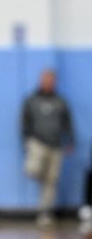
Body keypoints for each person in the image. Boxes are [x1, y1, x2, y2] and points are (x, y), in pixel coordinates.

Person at [21, 68, 75, 227]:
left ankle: (45, 213)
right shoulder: (31, 100)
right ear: (41, 81)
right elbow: (24, 121)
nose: (48, 83)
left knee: (51, 181)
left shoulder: (60, 101)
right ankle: (38, 173)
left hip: (56, 144)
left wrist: (70, 140)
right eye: (46, 80)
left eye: (51, 80)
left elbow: (68, 121)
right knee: (33, 170)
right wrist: (26, 139)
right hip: (37, 142)